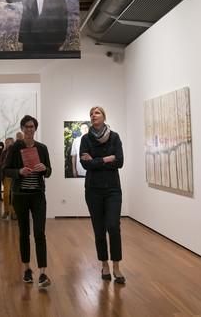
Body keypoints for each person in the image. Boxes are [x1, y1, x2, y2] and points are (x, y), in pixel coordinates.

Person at [3, 116, 52, 288]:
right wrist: (19, 171)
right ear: (22, 129)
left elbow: (49, 170)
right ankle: (26, 269)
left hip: (38, 195)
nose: (29, 129)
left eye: (32, 127)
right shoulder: (15, 148)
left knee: (40, 232)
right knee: (24, 233)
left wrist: (44, 168)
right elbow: (5, 169)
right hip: (21, 196)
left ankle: (43, 273)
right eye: (26, 127)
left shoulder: (42, 148)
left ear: (35, 128)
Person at [80, 106, 126, 284]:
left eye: (97, 113)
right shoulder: (86, 138)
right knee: (99, 229)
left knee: (113, 226)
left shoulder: (114, 137)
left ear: (104, 117)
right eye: (91, 114)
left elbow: (120, 161)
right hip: (93, 190)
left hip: (113, 189)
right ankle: (105, 264)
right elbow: (85, 165)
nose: (93, 116)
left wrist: (95, 161)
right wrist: (107, 159)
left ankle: (117, 266)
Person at [0, 137, 15, 220]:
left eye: (9, 142)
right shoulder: (4, 152)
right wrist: (4, 166)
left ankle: (13, 212)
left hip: (14, 176)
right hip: (6, 176)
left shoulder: (16, 152)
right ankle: (6, 211)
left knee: (13, 195)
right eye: (7, 142)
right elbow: (0, 163)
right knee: (6, 195)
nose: (8, 144)